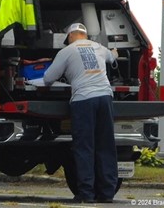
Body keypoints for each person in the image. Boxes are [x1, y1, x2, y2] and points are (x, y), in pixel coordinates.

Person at [43, 23, 119, 203]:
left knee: (84, 147)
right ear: (85, 35)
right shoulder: (99, 47)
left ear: (70, 37)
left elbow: (48, 79)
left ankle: (86, 193)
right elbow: (113, 56)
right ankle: (107, 194)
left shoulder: (67, 51)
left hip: (83, 99)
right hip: (105, 97)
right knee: (106, 146)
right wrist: (115, 52)